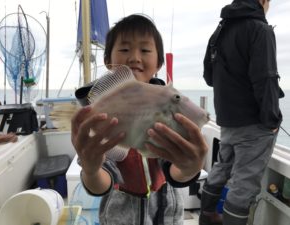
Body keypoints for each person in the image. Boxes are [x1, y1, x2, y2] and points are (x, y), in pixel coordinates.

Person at [71, 14, 208, 225]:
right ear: (108, 62)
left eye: (145, 50)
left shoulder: (165, 103)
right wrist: (91, 169)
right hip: (118, 217)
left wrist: (191, 168)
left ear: (159, 62)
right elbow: (101, 184)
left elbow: (175, 171)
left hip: (166, 215)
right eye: (125, 50)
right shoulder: (101, 115)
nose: (135, 57)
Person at [200, 0, 284, 225]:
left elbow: (209, 77)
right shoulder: (260, 29)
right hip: (254, 123)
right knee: (244, 185)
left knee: (221, 167)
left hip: (226, 121)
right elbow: (265, 78)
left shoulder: (219, 30)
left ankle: (206, 217)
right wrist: (272, 120)